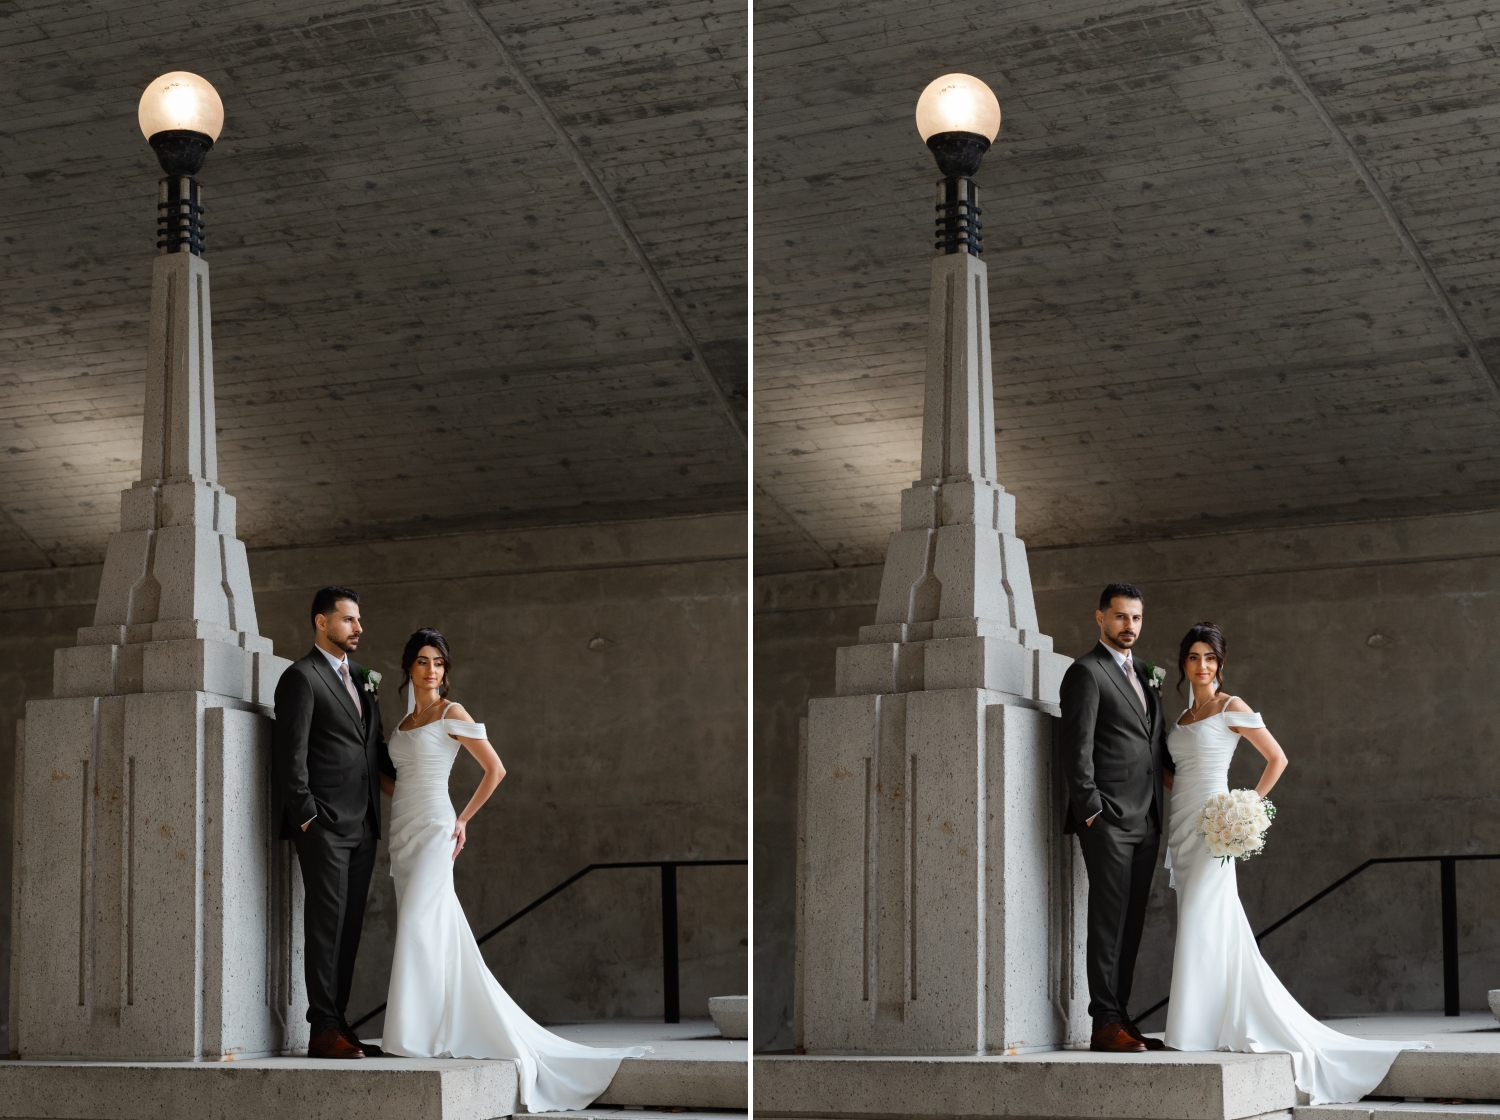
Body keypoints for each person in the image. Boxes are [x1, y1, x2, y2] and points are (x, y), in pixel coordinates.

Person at [381, 628, 647, 1110]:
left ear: (446, 669)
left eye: (439, 662)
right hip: (402, 830)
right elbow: (397, 781)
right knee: (431, 928)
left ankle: (410, 1037)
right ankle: (428, 1027)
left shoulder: (450, 713)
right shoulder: (402, 725)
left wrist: (462, 819)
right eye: (422, 661)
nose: (431, 670)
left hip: (438, 829)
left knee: (421, 925)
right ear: (409, 668)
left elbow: (495, 769)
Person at [1163, 621, 1424, 1102]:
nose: (1203, 665)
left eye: (1211, 658)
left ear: (1220, 664)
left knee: (1204, 915)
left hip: (1215, 825)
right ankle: (1202, 1023)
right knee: (1205, 921)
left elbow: (1277, 759)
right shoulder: (1181, 717)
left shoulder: (1230, 707)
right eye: (1195, 657)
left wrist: (1245, 809)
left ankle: (1193, 1030)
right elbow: (1175, 773)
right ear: (1184, 662)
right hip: (1181, 824)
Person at [271, 586, 395, 1059]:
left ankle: (339, 1024)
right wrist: (307, 821)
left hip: (365, 824)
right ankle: (322, 1028)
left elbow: (375, 745)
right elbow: (291, 754)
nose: (358, 628)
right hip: (323, 826)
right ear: (321, 622)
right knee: (325, 926)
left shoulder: (366, 677)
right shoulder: (300, 677)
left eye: (359, 620)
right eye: (348, 620)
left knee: (348, 928)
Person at [1058, 582, 1174, 1053]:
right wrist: (1092, 815)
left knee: (1130, 925)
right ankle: (1103, 1023)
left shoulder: (1147, 673)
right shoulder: (1086, 672)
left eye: (1137, 618)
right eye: (1121, 617)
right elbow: (1076, 748)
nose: (1130, 626)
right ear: (1100, 618)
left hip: (1147, 820)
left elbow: (1154, 745)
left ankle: (1122, 1017)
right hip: (1107, 821)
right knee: (1107, 922)